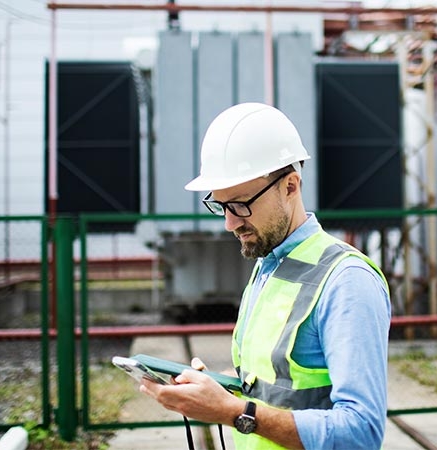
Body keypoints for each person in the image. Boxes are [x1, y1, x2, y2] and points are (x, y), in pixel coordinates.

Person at [140, 102, 391, 449]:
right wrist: (218, 389)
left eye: (241, 204)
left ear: (290, 186)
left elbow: (360, 432)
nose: (230, 223)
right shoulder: (268, 265)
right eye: (221, 206)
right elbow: (271, 388)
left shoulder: (347, 281)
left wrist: (233, 411)